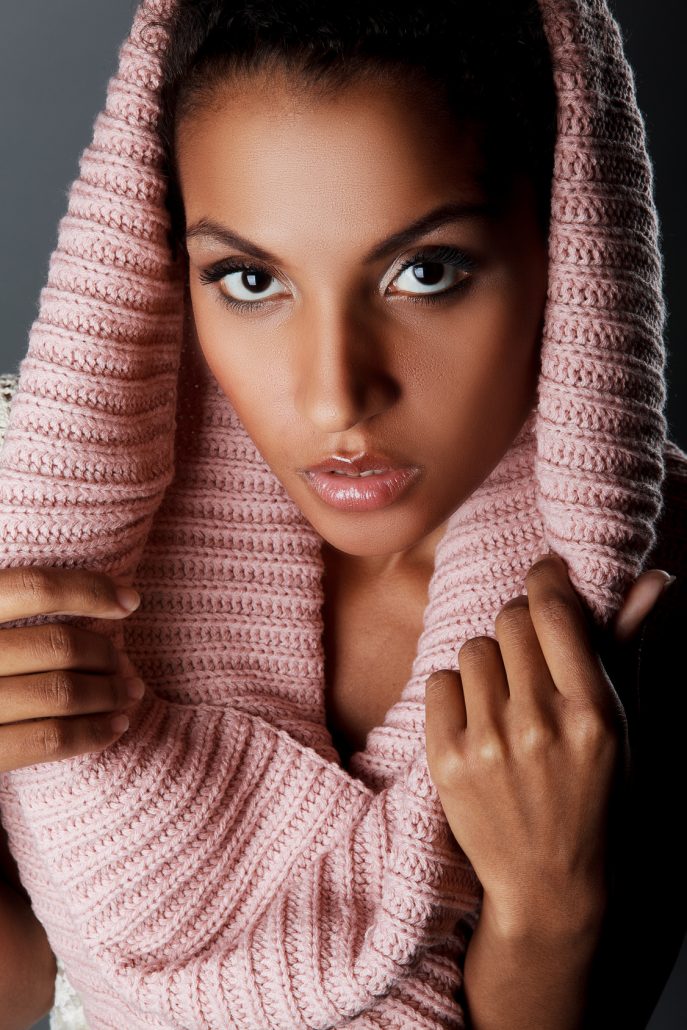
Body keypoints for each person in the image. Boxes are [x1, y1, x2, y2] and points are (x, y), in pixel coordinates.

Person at [0, 0, 685, 1027]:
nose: (334, 398)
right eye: (249, 277)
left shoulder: (650, 586)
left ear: (566, 244)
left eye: (426, 272)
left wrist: (553, 906)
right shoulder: (49, 518)